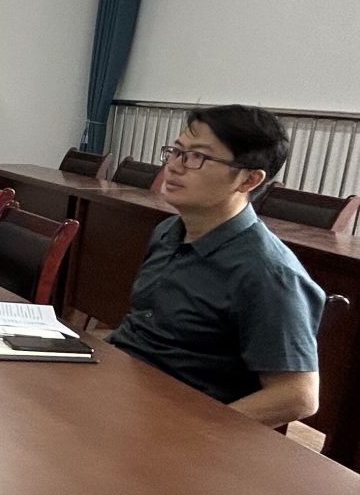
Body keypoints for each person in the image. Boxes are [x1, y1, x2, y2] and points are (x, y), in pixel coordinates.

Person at [107, 106, 325, 427]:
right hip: (121, 388)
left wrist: (200, 433)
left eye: (197, 157)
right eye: (176, 152)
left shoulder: (268, 272)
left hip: (175, 420)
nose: (174, 166)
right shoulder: (168, 232)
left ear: (249, 179)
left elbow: (298, 396)